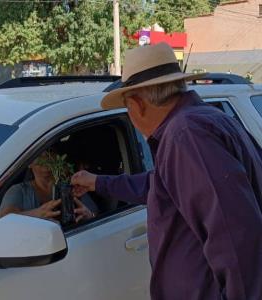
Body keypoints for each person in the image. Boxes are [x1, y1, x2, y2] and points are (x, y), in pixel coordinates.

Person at [72, 43, 262, 300]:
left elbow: (236, 238)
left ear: (137, 104)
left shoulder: (186, 136)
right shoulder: (203, 122)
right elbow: (161, 186)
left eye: (127, 109)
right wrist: (98, 182)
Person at [0, 150, 96, 223]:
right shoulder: (19, 191)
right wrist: (38, 213)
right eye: (39, 154)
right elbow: (3, 220)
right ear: (29, 163)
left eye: (50, 153)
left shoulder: (70, 187)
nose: (45, 160)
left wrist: (89, 215)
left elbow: (95, 215)